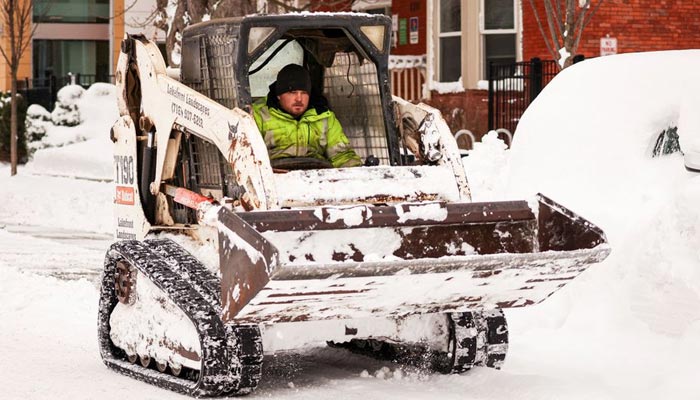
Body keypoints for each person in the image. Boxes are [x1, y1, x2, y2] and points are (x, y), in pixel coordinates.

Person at [252, 64, 362, 168]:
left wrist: (358, 176)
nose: (299, 99)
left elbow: (342, 156)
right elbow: (248, 157)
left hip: (316, 179)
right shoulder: (257, 116)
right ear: (279, 95)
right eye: (292, 92)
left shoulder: (324, 117)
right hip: (271, 180)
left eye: (304, 93)